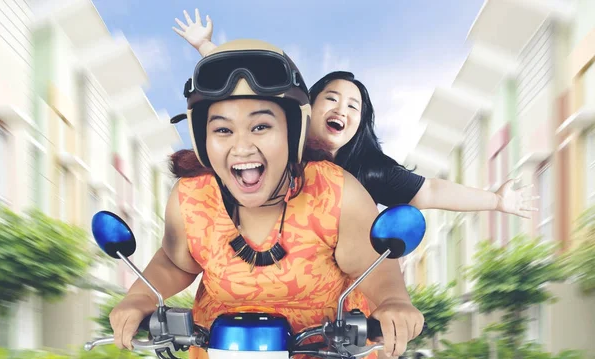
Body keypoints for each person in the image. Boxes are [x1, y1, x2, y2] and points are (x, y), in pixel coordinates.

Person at [109, 39, 424, 359]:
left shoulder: (337, 192)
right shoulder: (191, 197)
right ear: (202, 140)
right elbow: (175, 260)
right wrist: (138, 299)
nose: (241, 147)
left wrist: (393, 302)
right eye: (223, 130)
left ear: (294, 132)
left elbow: (373, 266)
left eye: (260, 127)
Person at [172, 9, 539, 217]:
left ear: (359, 125)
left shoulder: (370, 170)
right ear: (304, 106)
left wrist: (497, 200)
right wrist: (206, 47)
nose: (340, 110)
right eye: (330, 98)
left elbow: (432, 192)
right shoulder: (266, 147)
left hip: (336, 298)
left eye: (353, 107)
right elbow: (248, 90)